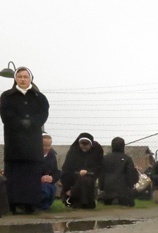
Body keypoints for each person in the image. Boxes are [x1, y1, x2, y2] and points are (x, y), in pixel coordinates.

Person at [0, 66, 49, 215]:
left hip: (32, 143)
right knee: (14, 174)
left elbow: (43, 113)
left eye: (25, 77)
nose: (22, 79)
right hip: (14, 142)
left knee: (31, 174)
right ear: (15, 79)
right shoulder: (7, 96)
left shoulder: (39, 97)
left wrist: (32, 122)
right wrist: (19, 122)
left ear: (30, 79)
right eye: (20, 76)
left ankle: (30, 204)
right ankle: (13, 204)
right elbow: (5, 114)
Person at [61, 133, 104, 209]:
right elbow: (67, 169)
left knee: (86, 180)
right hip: (74, 176)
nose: (84, 148)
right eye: (82, 146)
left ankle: (86, 203)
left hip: (89, 175)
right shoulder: (73, 151)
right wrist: (67, 188)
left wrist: (88, 171)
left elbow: (99, 166)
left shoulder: (97, 150)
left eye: (86, 146)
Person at [99, 137, 139, 206]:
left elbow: (101, 174)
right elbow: (131, 175)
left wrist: (101, 187)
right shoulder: (127, 159)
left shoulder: (105, 158)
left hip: (108, 189)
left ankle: (108, 199)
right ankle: (119, 199)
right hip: (123, 190)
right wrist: (131, 184)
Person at [40, 133, 61, 210]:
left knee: (50, 188)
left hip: (48, 182)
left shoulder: (52, 156)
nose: (47, 148)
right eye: (44, 145)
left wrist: (52, 178)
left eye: (49, 145)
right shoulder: (32, 156)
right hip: (35, 182)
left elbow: (56, 171)